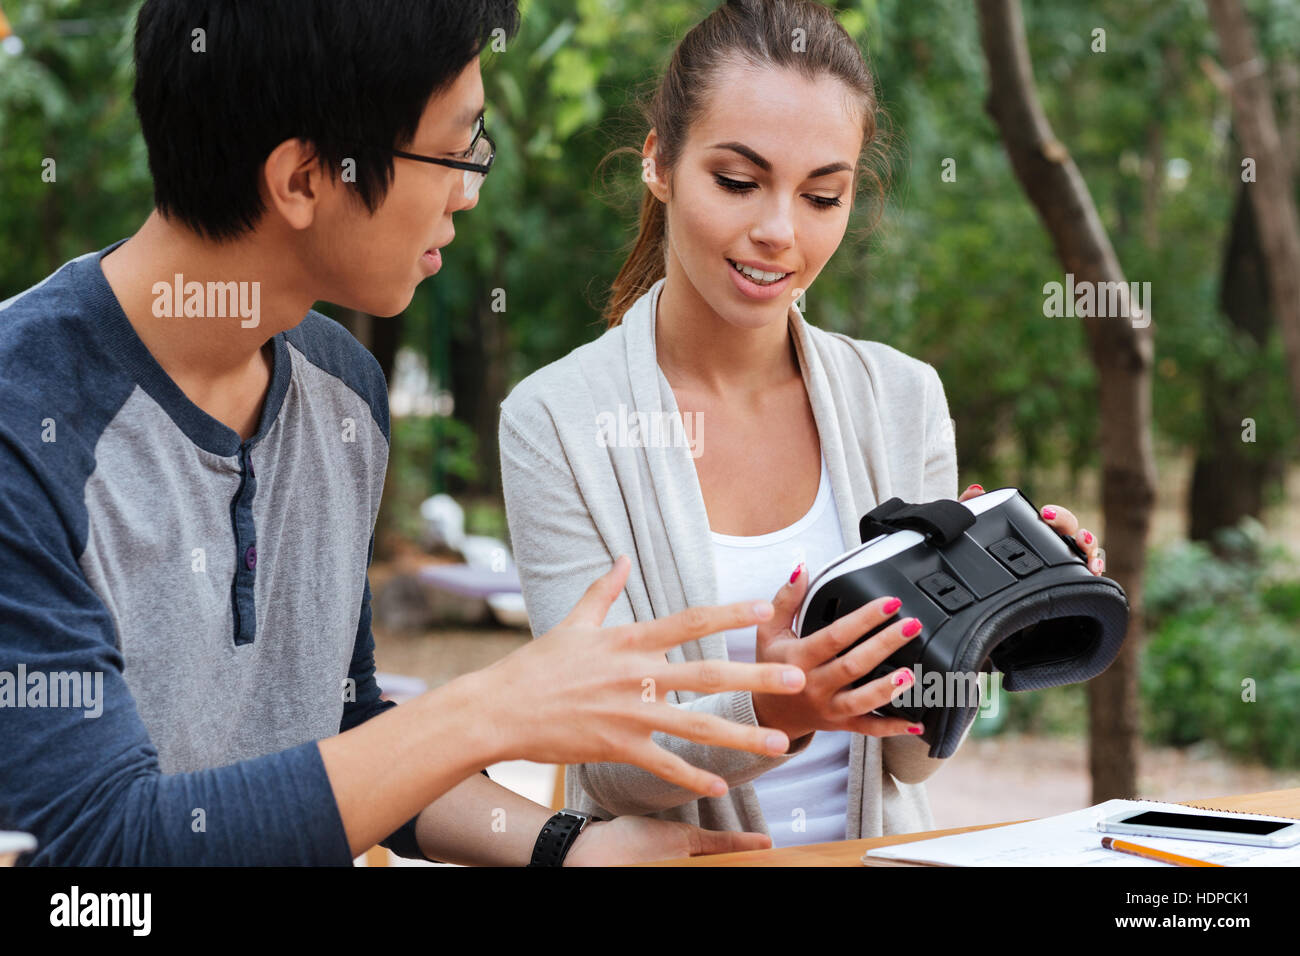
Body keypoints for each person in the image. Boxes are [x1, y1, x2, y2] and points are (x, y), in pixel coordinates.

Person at [0, 0, 813, 867]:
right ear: (303, 179)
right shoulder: (24, 422)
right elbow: (95, 850)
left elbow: (347, 726)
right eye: (457, 149)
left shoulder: (341, 393)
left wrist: (566, 848)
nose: (470, 187)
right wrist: (488, 709)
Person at [499, 0, 1107, 847]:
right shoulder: (556, 421)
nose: (779, 232)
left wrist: (993, 615)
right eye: (737, 182)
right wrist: (775, 707)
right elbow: (605, 763)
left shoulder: (902, 398)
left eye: (823, 195)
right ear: (659, 164)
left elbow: (913, 761)